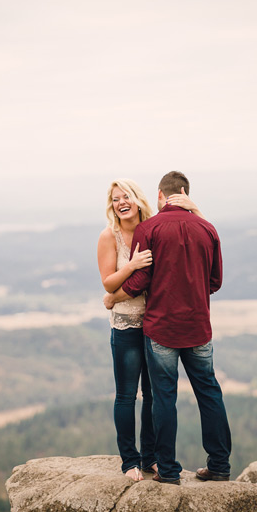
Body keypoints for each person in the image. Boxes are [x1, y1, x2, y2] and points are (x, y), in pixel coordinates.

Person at [104, 171, 229, 485]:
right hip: (199, 327)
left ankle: (169, 471)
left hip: (161, 329)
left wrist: (113, 297)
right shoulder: (208, 228)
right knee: (210, 394)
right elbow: (215, 282)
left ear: (160, 195)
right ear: (185, 193)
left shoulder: (150, 228)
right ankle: (220, 466)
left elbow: (140, 280)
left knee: (162, 398)